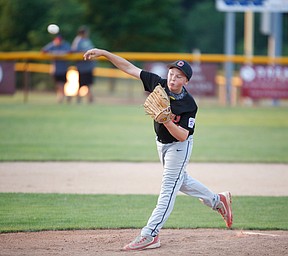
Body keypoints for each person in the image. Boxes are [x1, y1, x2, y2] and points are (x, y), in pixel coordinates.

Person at [83, 48, 233, 251]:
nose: (172, 78)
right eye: (171, 73)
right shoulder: (158, 83)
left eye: (178, 76)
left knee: (168, 189)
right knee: (181, 181)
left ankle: (150, 234)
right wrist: (104, 53)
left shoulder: (189, 104)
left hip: (179, 147)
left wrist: (167, 120)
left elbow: (183, 135)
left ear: (186, 81)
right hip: (161, 144)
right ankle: (217, 200)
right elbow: (129, 68)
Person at [42, 35, 71, 103]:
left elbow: (70, 51)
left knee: (62, 84)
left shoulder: (65, 45)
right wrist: (53, 53)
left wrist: (59, 53)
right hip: (55, 69)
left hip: (63, 69)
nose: (59, 42)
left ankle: (61, 97)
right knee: (58, 84)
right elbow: (43, 50)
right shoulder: (52, 45)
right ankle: (63, 96)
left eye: (60, 40)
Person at [71, 25, 96, 103]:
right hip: (82, 66)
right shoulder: (78, 40)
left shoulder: (87, 40)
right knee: (81, 84)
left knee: (89, 83)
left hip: (89, 66)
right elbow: (74, 51)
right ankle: (79, 99)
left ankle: (90, 98)